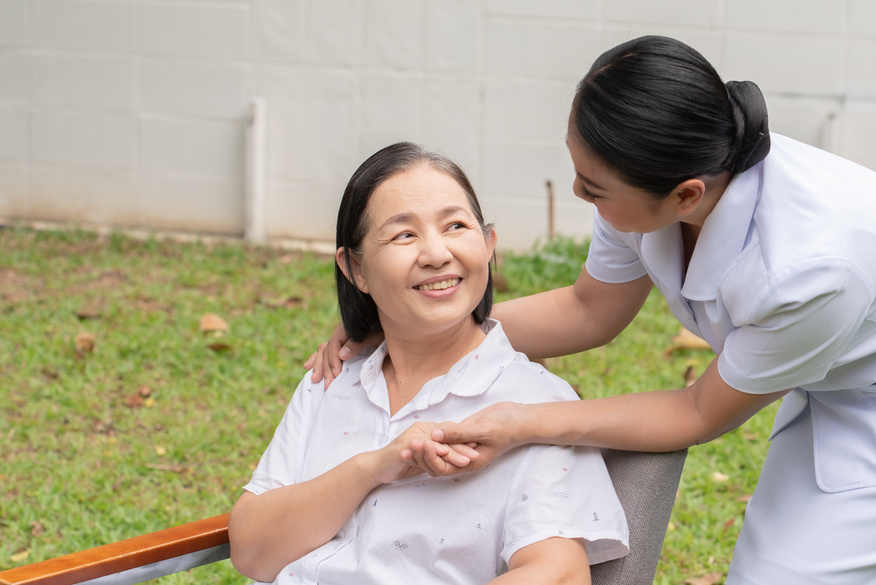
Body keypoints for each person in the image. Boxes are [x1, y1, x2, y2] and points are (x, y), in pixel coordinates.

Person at [308, 36, 876, 585]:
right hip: (831, 372)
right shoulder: (651, 166)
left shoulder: (811, 269)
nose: (580, 194)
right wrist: (399, 320)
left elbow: (698, 411)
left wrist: (522, 423)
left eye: (594, 188)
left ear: (686, 196)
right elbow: (588, 310)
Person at [229, 142, 629, 585]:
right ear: (355, 269)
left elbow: (559, 576)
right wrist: (372, 467)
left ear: (489, 244)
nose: (437, 253)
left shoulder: (535, 407)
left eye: (456, 225)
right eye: (404, 234)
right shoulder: (331, 379)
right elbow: (250, 552)